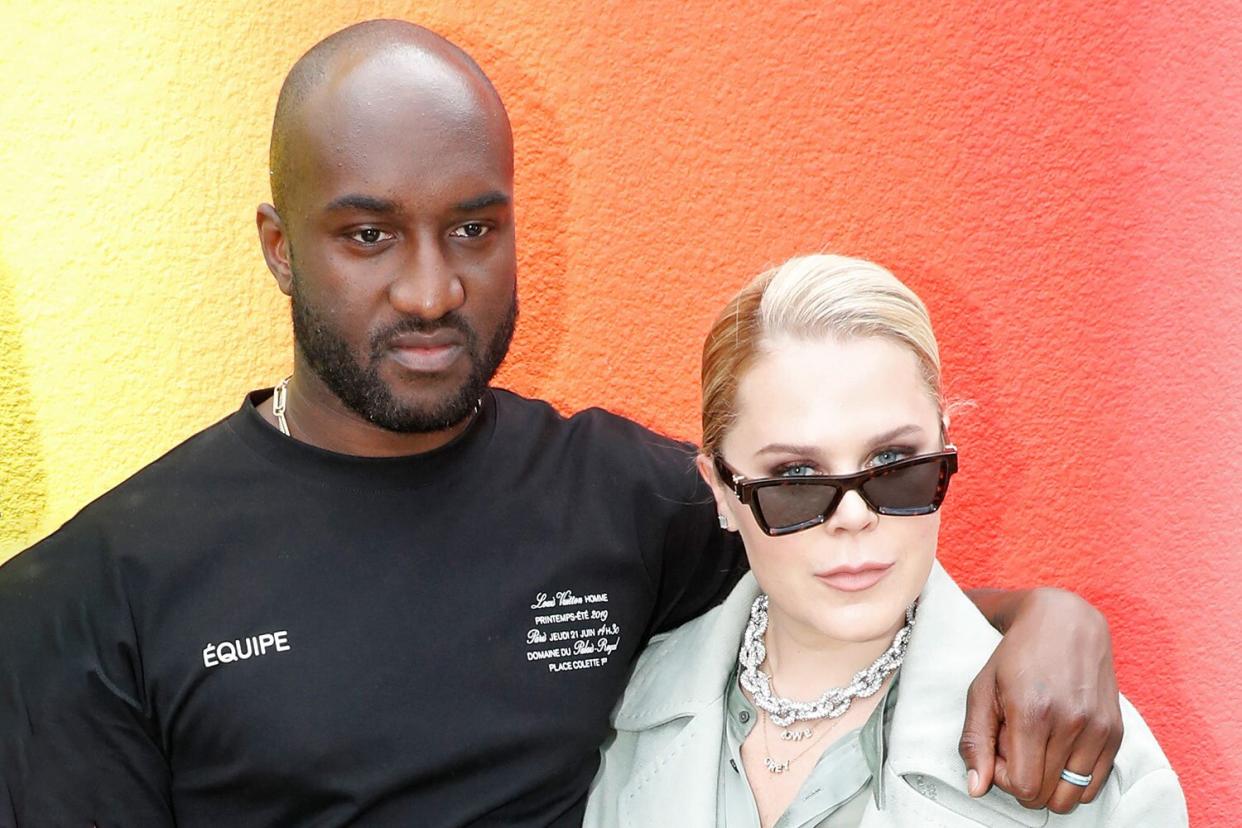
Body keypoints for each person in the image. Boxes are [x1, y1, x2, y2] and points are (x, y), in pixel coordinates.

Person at [1, 21, 1122, 827]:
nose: (433, 291)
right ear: (278, 246)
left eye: (475, 228)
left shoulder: (624, 497)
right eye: (369, 236)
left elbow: (839, 569)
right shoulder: (91, 595)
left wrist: (1044, 616)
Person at [584, 254, 1187, 827]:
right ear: (720, 490)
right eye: (796, 477)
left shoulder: (1091, 760)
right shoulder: (615, 709)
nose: (852, 516)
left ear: (945, 449)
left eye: (895, 462)